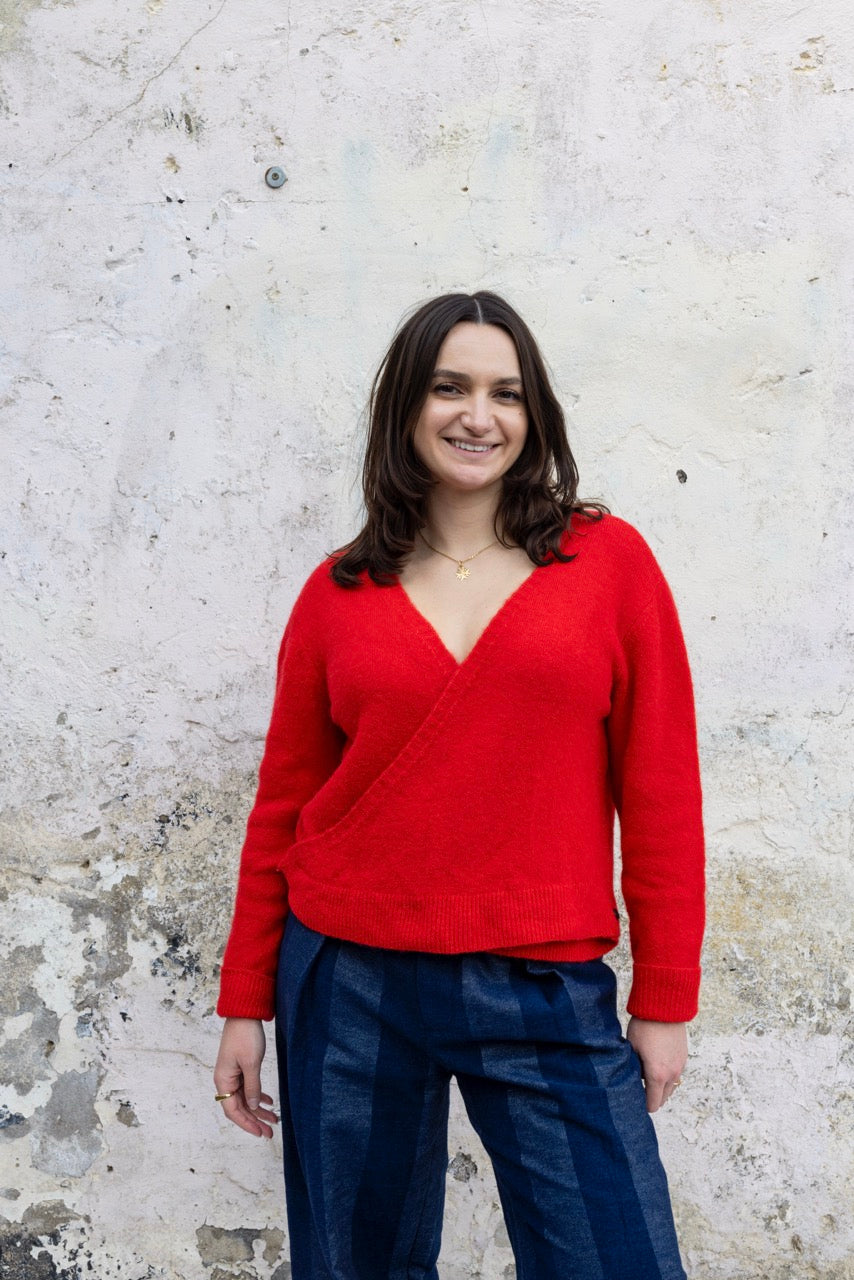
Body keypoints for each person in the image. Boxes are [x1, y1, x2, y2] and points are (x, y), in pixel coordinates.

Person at [213, 291, 705, 1280]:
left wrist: (662, 995)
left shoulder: (606, 563)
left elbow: (659, 787)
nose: (476, 414)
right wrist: (242, 998)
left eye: (504, 392)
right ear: (406, 405)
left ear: (533, 417)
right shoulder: (338, 589)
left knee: (614, 1257)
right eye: (449, 386)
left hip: (540, 975)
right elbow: (283, 803)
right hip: (348, 974)